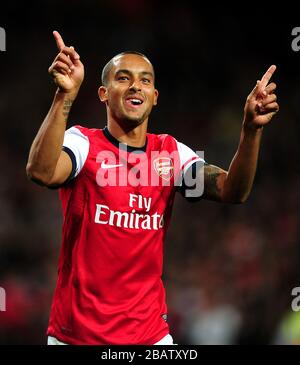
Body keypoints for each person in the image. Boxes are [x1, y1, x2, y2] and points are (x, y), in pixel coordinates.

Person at [26, 31, 279, 345]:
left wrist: (251, 131)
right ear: (103, 93)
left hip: (149, 337)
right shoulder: (82, 143)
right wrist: (65, 95)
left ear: (155, 96)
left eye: (145, 80)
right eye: (123, 78)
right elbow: (41, 172)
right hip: (76, 335)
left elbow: (233, 191)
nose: (135, 85)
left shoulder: (170, 153)